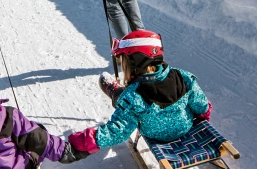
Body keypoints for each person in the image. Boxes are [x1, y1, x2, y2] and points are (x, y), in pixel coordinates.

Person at [67, 30, 210, 157]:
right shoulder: (182, 76)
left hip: (155, 135)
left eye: (123, 62)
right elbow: (201, 105)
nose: (122, 66)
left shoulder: (132, 96)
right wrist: (203, 114)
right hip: (184, 128)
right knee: (129, 100)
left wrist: (86, 140)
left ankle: (115, 93)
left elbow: (117, 131)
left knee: (126, 101)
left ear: (135, 63)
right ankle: (117, 93)